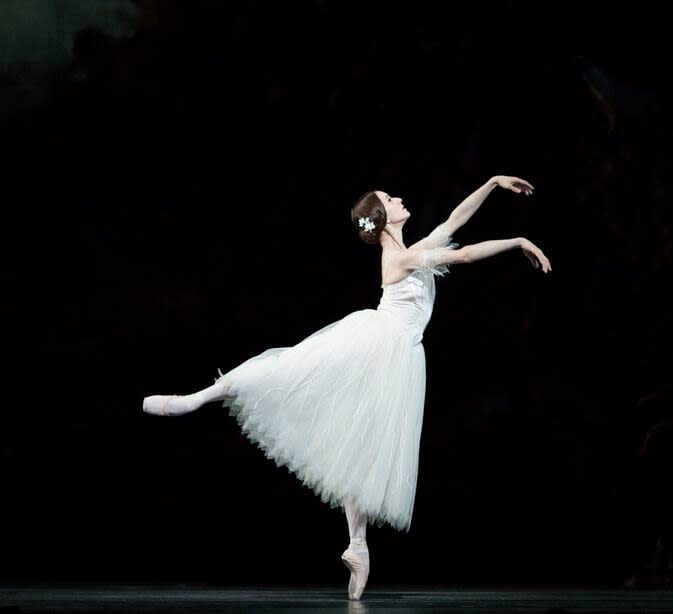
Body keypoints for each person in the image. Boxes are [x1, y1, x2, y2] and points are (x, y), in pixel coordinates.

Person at [142, 175, 551, 600]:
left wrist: (492, 184)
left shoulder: (413, 250)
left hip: (399, 355)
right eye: (390, 199)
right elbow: (463, 254)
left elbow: (455, 220)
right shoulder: (398, 259)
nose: (399, 198)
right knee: (284, 369)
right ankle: (195, 399)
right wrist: (518, 239)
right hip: (376, 344)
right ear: (381, 217)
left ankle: (357, 545)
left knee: (358, 450)